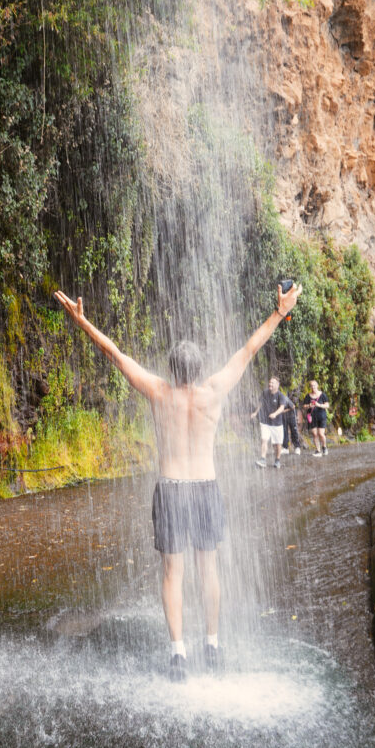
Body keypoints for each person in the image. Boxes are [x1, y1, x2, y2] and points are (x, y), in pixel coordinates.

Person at [54, 283, 302, 681]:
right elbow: (249, 349)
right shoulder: (214, 391)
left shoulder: (157, 391)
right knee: (209, 569)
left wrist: (82, 321)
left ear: (170, 369)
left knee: (173, 573)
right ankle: (213, 644)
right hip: (205, 487)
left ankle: (178, 654)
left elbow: (114, 354)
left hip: (171, 489)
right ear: (200, 368)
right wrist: (278, 312)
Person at [250, 376, 293, 468]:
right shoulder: (265, 393)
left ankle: (277, 460)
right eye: (270, 382)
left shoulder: (280, 395)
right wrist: (255, 412)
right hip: (265, 422)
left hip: (277, 424)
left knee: (277, 444)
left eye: (272, 383)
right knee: (264, 440)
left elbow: (282, 407)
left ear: (277, 385)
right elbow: (260, 403)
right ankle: (263, 459)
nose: (270, 384)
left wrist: (275, 414)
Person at [303, 380, 330, 456]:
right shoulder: (308, 396)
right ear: (310, 387)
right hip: (312, 417)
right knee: (314, 434)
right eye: (311, 385)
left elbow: (327, 405)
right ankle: (318, 450)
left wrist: (319, 405)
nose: (313, 387)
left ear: (317, 385)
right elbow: (304, 406)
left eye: (314, 385)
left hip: (321, 416)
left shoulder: (322, 395)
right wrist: (309, 406)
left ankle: (324, 447)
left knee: (321, 434)